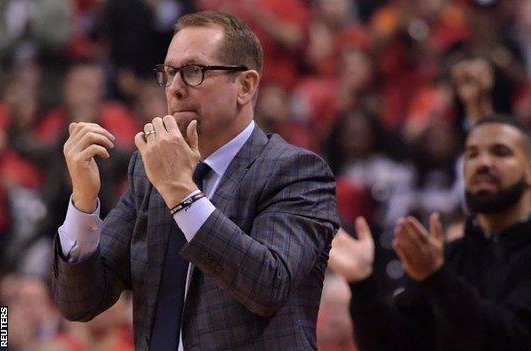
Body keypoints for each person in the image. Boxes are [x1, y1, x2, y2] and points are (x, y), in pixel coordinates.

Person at [51, 11, 339, 351]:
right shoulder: (148, 171)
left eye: (193, 71)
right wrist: (84, 203)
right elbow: (81, 303)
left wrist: (181, 193)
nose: (174, 88)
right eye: (169, 73)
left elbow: (268, 284)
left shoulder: (296, 172)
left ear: (245, 86)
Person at [329, 114, 531, 351]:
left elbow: (511, 341)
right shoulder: (452, 256)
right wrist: (362, 283)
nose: (482, 163)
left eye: (500, 152)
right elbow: (395, 344)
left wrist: (438, 279)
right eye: (472, 154)